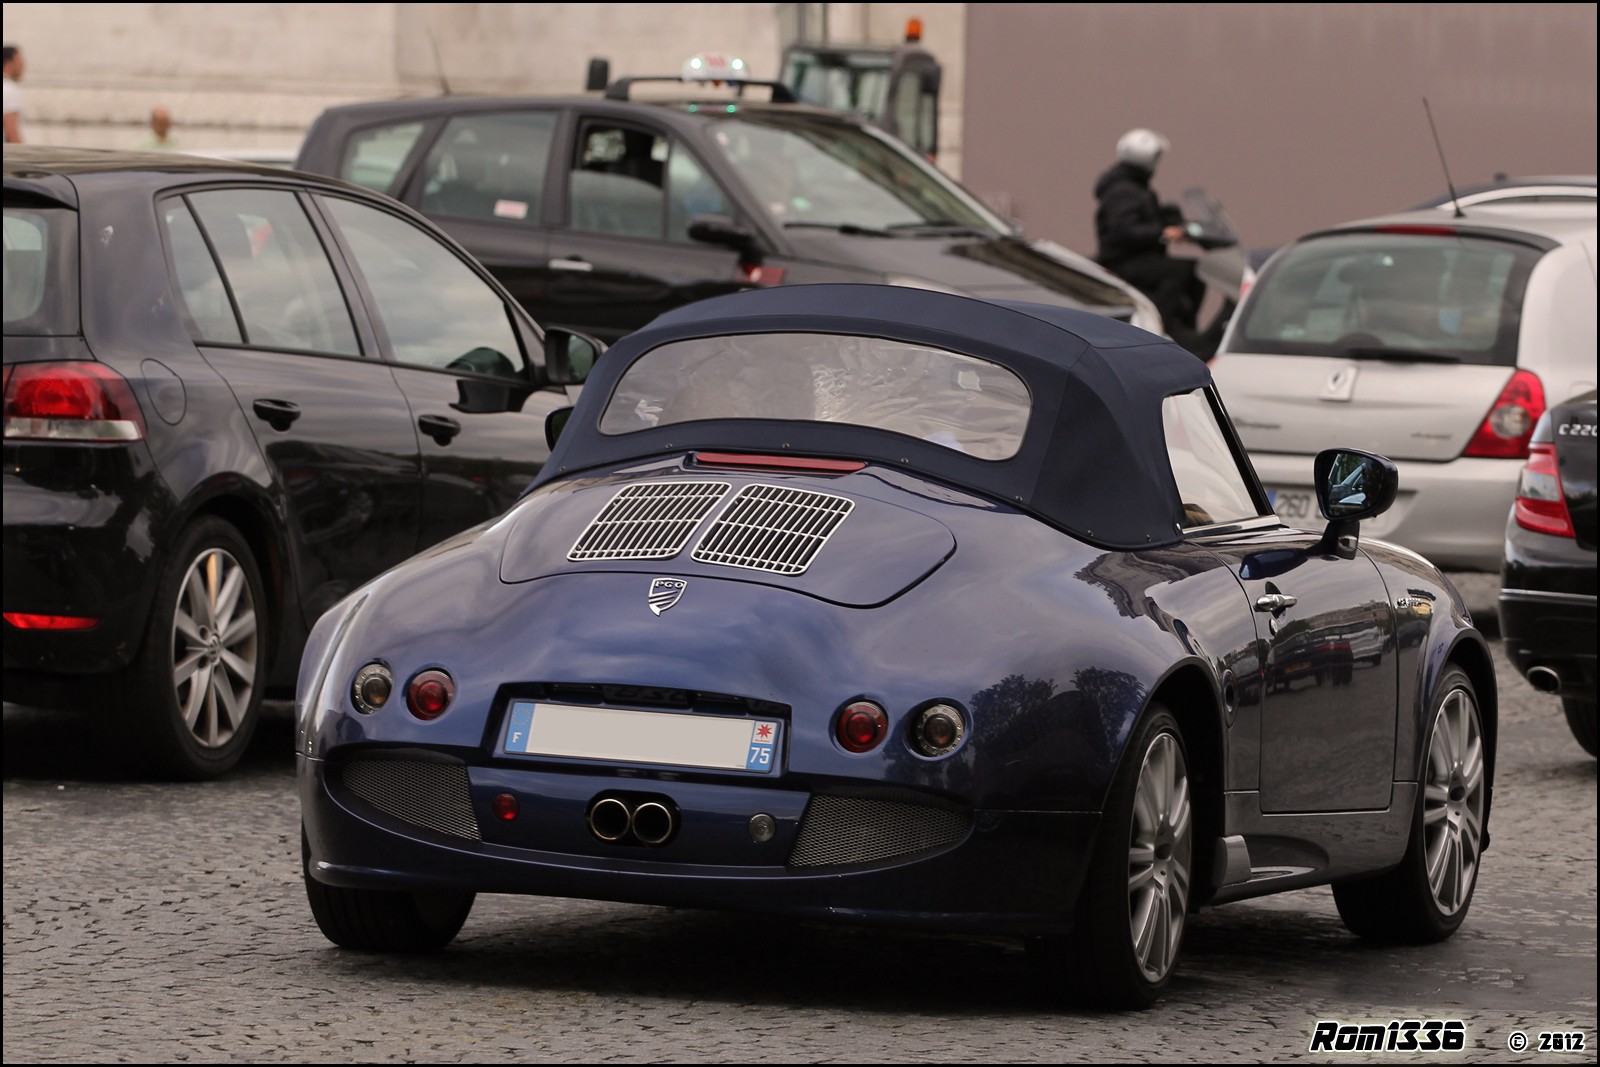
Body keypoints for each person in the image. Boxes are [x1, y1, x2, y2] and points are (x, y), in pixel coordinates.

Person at [1093, 127, 1221, 359]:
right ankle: (1165, 328)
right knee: (1186, 272)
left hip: (1137, 256)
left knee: (1190, 270)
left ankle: (1180, 326)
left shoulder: (1133, 185)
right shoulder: (1123, 190)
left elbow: (1144, 216)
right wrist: (1162, 232)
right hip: (1123, 260)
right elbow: (1124, 230)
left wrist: (1171, 217)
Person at [3, 44, 24, 144]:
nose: (23, 65)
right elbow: (12, 134)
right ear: (8, 64)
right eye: (19, 61)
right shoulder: (8, 90)